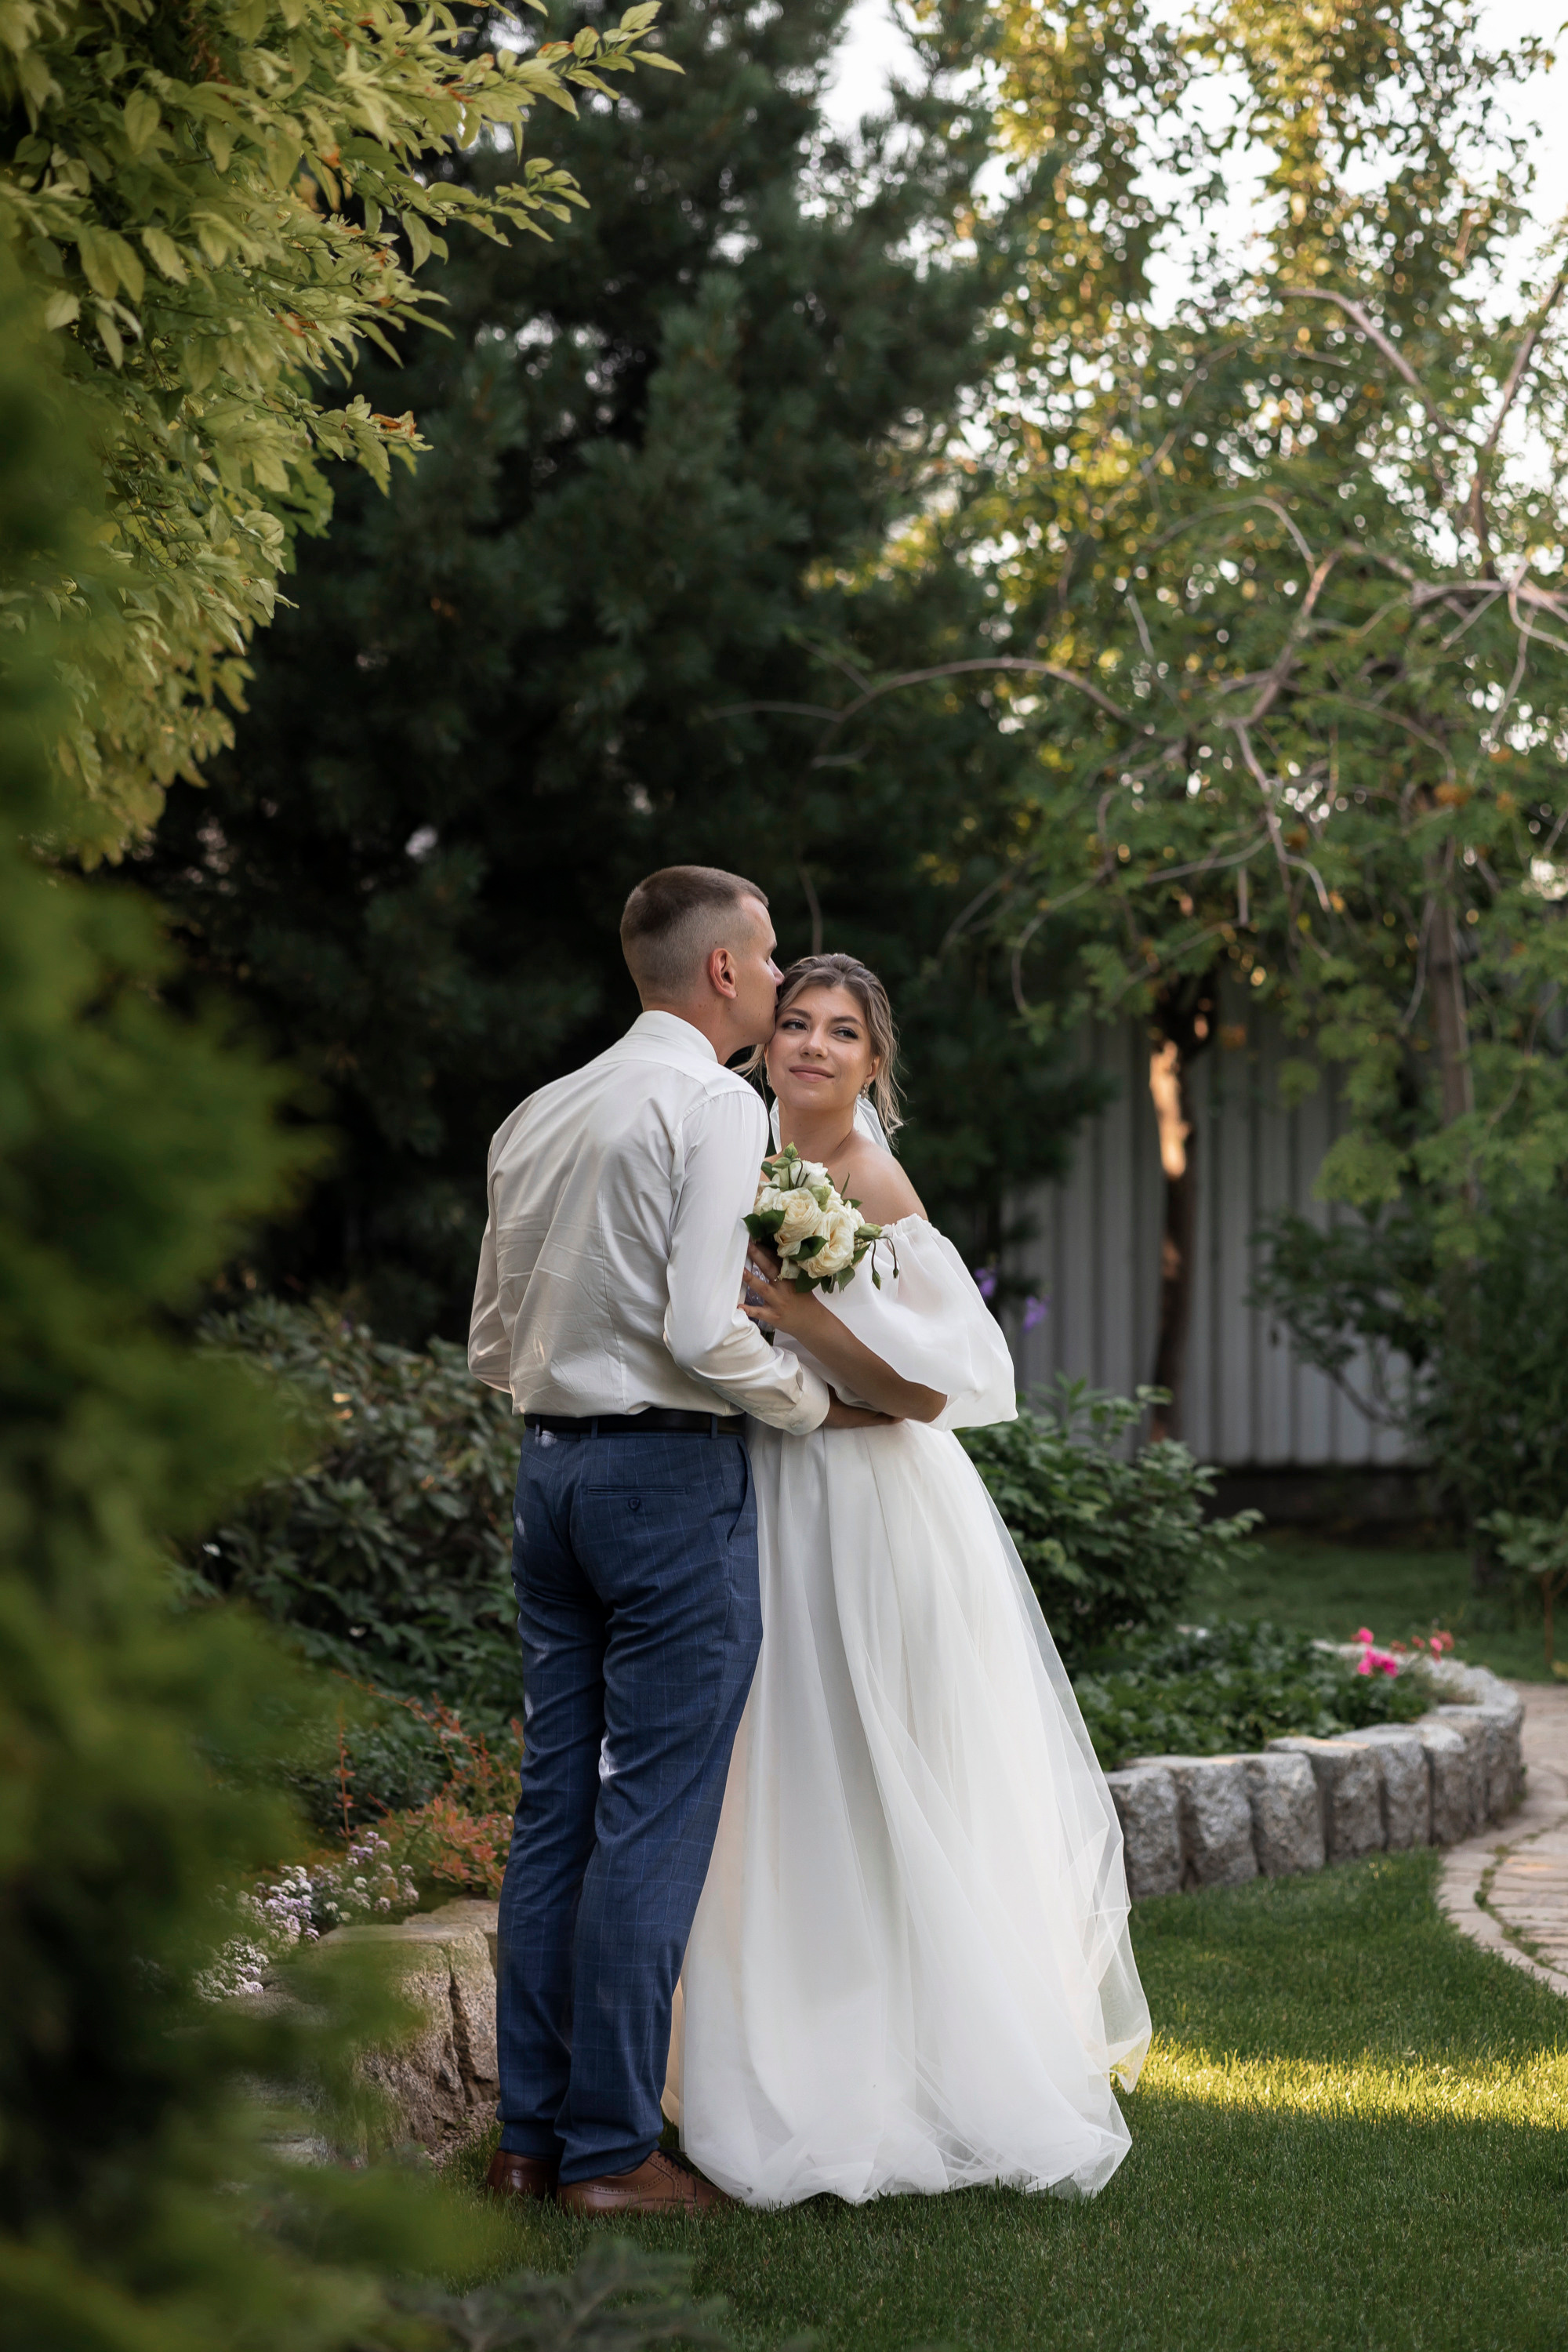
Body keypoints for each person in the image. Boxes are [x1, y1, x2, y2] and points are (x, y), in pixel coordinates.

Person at [666, 953, 1150, 2205]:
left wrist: (796, 1316)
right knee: (777, 1767)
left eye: (842, 1034)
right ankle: (764, 2050)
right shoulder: (733, 1150)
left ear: (875, 1064)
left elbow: (936, 1387)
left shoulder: (872, 1180)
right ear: (764, 1045)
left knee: (867, 1765)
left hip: (867, 1510)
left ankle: (904, 2068)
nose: (814, 1048)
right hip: (771, 1486)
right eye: (796, 1027)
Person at [467, 873, 887, 2217]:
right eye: (769, 968)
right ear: (721, 972)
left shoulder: (539, 1110)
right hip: (664, 1483)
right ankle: (609, 2159)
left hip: (548, 1481)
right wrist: (810, 1399)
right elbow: (709, 1328)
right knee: (650, 1819)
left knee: (553, 1819)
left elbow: (489, 1342)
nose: (777, 993)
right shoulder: (710, 1103)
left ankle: (527, 2143)